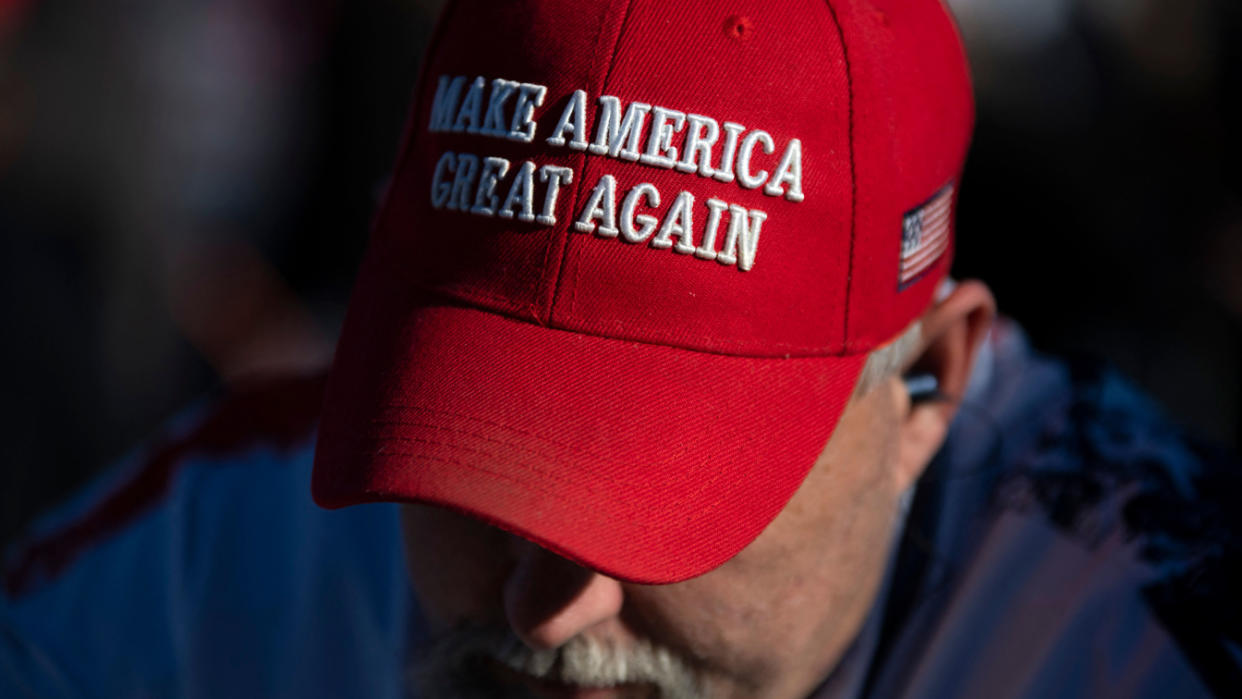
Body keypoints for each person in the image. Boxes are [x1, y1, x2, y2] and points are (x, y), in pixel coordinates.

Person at [3, 1, 1239, 697]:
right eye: (479, 457)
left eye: (662, 499)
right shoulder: (231, 540)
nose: (545, 612)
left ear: (930, 387)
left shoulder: (1146, 644)